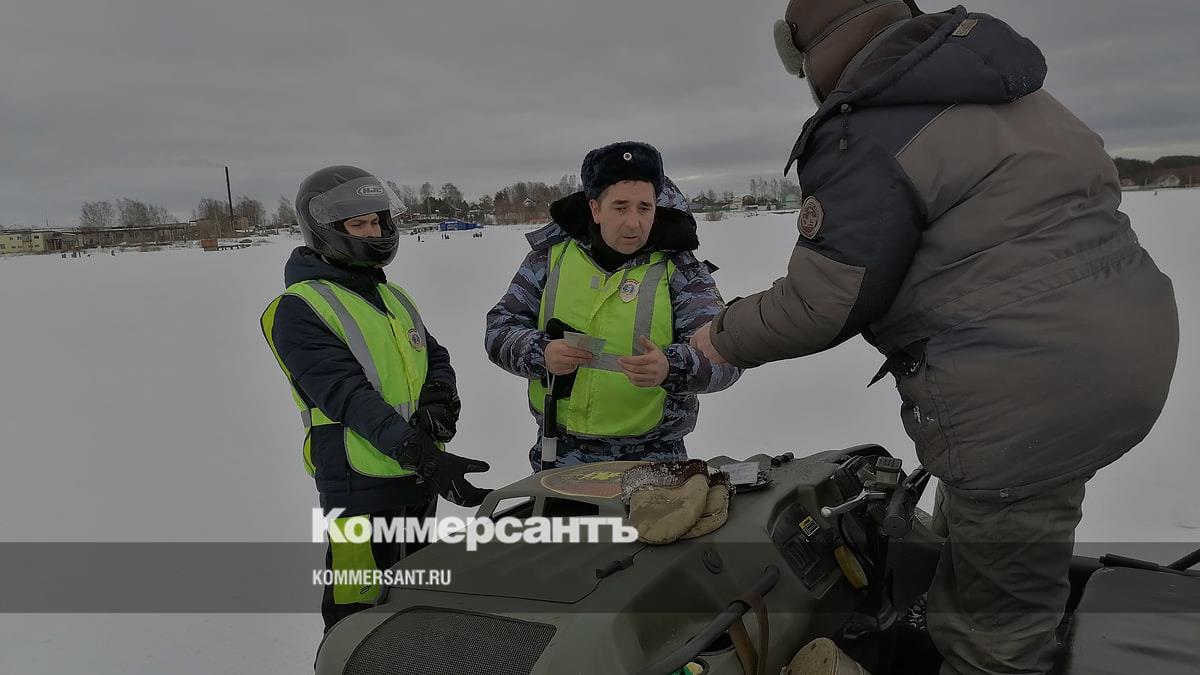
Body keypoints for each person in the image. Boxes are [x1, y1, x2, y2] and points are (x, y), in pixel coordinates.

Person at [691, 3, 1180, 673]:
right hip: (1116, 353)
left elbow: (822, 301)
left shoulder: (870, 128)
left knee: (996, 637)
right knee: (985, 523)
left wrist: (719, 336)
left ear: (810, 51)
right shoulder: (1001, 85)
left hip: (1025, 394)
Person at [260, 165, 491, 631]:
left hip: (416, 475)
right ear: (326, 230)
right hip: (357, 484)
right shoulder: (299, 307)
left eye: (377, 221)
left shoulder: (392, 295)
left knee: (415, 602)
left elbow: (434, 354)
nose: (373, 233)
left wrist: (439, 399)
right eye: (358, 224)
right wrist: (421, 453)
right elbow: (345, 394)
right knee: (357, 613)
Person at [486, 141, 741, 472]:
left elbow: (727, 353)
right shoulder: (547, 259)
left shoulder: (682, 271)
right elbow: (499, 330)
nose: (633, 223)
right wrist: (542, 352)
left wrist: (672, 367)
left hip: (653, 461)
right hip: (559, 456)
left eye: (644, 208)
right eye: (620, 207)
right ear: (595, 208)